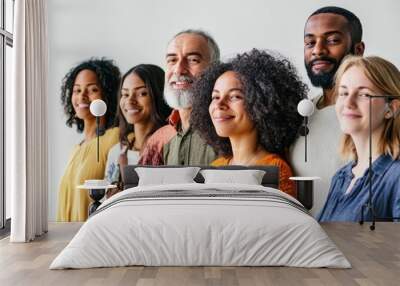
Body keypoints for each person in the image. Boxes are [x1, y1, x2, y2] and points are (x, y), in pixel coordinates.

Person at [191, 49, 307, 197]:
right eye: (215, 96)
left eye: (234, 96)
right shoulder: (215, 167)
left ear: (262, 104)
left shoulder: (275, 169)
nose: (219, 104)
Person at [290, 6, 365, 214]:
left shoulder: (378, 112)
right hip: (308, 241)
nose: (318, 50)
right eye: (310, 43)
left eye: (332, 40)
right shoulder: (298, 115)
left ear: (358, 50)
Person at [318, 55, 400, 222]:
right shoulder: (340, 177)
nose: (348, 102)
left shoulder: (396, 176)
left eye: (363, 94)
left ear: (391, 109)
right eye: (344, 93)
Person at [139, 29, 219, 165]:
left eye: (193, 60)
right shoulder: (159, 140)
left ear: (215, 69)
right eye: (172, 60)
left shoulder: (229, 132)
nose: (178, 69)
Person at [57, 58, 121, 222]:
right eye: (77, 90)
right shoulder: (77, 148)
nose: (82, 97)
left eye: (92, 90)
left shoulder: (115, 138)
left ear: (107, 95)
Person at [104, 64, 171, 195]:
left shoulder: (170, 148)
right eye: (125, 94)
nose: (130, 100)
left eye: (142, 93)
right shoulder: (116, 152)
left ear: (159, 96)